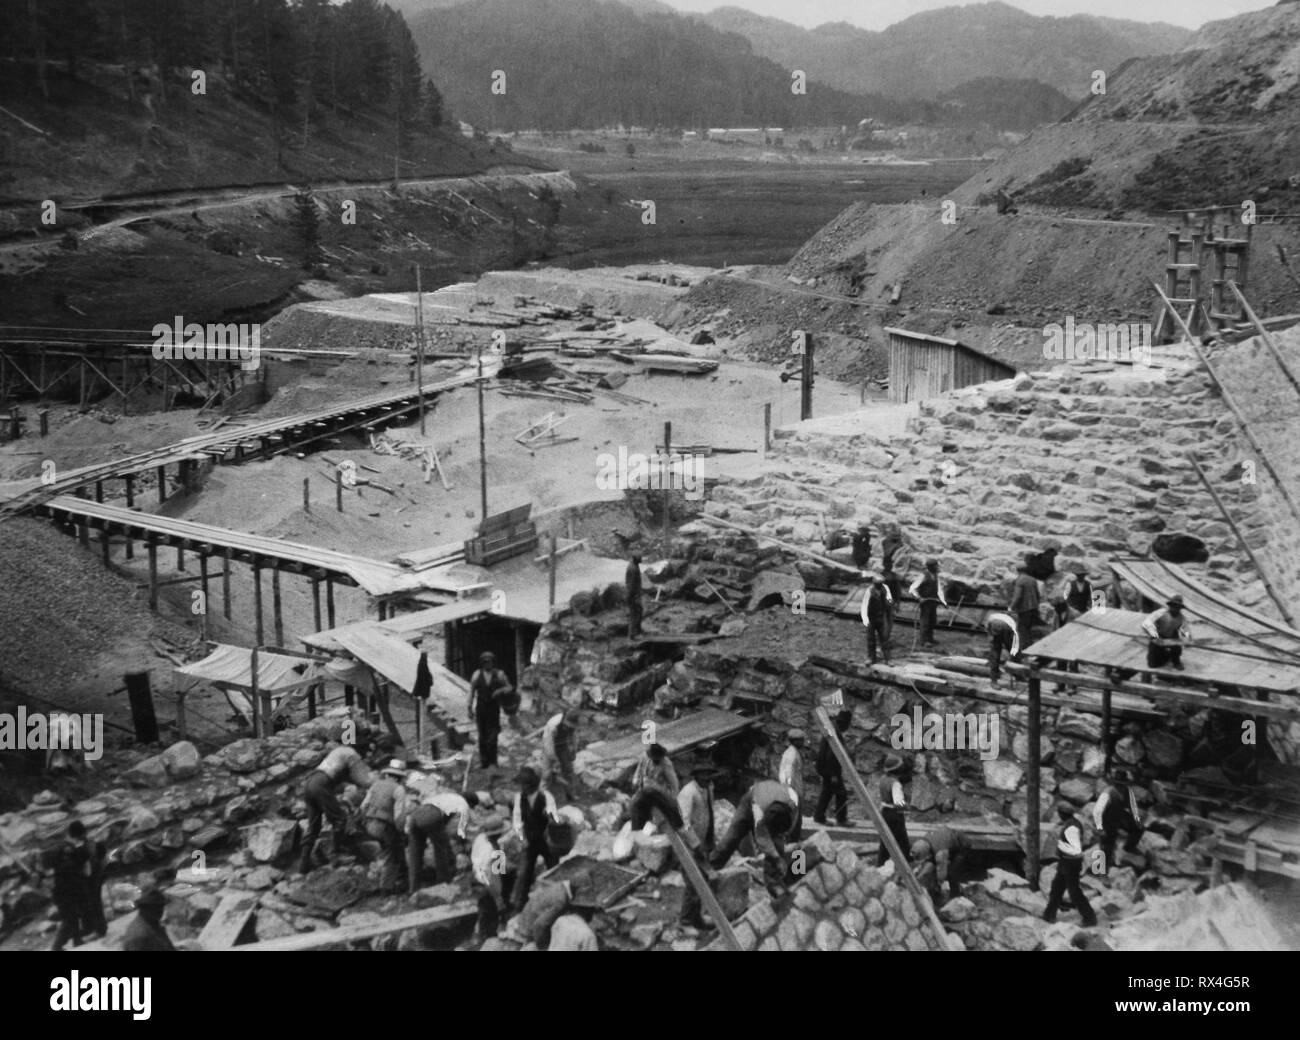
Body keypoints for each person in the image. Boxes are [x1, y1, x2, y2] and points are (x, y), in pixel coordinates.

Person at [299, 742, 373, 873]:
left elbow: (342, 775)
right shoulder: (352, 754)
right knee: (340, 820)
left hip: (310, 783)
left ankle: (303, 864)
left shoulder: (339, 751)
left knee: (313, 826)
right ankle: (334, 855)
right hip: (322, 785)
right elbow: (362, 780)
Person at [710, 778, 796, 886]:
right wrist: (777, 857)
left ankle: (774, 883)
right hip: (749, 804)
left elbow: (787, 829)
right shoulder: (759, 808)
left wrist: (778, 849)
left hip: (773, 809)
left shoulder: (792, 803)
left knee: (777, 846)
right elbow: (762, 837)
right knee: (731, 839)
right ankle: (711, 868)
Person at [512, 767, 562, 912]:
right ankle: (519, 906)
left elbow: (554, 820)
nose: (521, 788)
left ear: (530, 785)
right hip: (530, 841)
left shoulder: (546, 797)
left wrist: (551, 818)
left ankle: (558, 902)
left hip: (547, 842)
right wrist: (522, 838)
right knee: (524, 874)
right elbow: (517, 820)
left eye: (523, 785)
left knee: (554, 871)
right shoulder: (519, 798)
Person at [677, 764, 719, 930]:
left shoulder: (709, 788)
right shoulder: (688, 792)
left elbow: (708, 813)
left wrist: (709, 840)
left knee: (702, 880)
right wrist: (695, 844)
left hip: (703, 842)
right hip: (688, 844)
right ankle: (685, 921)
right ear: (696, 776)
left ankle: (696, 918)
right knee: (693, 881)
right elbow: (683, 823)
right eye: (703, 775)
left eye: (709, 775)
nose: (707, 778)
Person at [407, 787, 473, 892]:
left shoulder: (447, 796)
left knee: (415, 853)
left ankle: (413, 887)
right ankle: (443, 882)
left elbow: (443, 821)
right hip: (431, 815)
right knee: (441, 850)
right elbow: (457, 827)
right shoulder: (462, 803)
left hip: (415, 816)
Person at [1043, 802, 1097, 927]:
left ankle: (1090, 917)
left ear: (1062, 814)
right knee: (1057, 888)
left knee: (1074, 893)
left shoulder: (1072, 827)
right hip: (1065, 863)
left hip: (1070, 864)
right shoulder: (1071, 823)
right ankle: (1048, 915)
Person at [360, 758, 409, 893]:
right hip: (385, 827)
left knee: (392, 849)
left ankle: (403, 876)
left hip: (369, 824)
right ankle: (386, 889)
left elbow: (363, 806)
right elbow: (399, 816)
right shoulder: (399, 789)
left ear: (387, 774)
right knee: (392, 856)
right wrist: (401, 831)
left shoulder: (375, 785)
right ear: (399, 778)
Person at [48, 822, 91, 951]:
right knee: (70, 919)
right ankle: (56, 947)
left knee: (72, 917)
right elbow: (87, 872)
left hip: (60, 890)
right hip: (72, 889)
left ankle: (77, 941)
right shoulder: (77, 850)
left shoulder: (59, 848)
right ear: (82, 834)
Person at [471, 816, 516, 938]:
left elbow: (500, 869)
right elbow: (493, 880)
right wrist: (499, 899)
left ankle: (482, 929)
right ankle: (487, 938)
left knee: (485, 909)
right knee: (490, 912)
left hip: (476, 877)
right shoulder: (494, 853)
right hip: (487, 885)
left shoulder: (481, 838)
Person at [468, 652, 513, 770]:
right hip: (481, 708)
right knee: (482, 736)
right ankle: (484, 762)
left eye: (490, 662)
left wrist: (501, 690)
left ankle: (493, 762)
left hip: (493, 708)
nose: (488, 664)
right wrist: (469, 708)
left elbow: (509, 687)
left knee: (493, 736)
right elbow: (471, 692)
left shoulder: (499, 674)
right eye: (485, 662)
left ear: (493, 662)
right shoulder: (476, 675)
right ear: (482, 663)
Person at [1093, 771, 1143, 869]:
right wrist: (1100, 828)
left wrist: (1137, 820)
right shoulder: (1108, 792)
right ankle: (1100, 870)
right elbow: (1097, 811)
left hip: (1119, 816)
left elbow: (1133, 807)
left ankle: (1128, 847)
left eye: (1123, 784)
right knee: (1107, 846)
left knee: (1138, 828)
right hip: (1107, 819)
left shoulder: (1127, 791)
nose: (1121, 786)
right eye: (1118, 784)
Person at [910, 825, 971, 903]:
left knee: (951, 873)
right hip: (948, 842)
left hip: (962, 845)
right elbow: (929, 862)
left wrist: (940, 884)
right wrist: (919, 877)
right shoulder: (925, 841)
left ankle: (956, 895)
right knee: (933, 870)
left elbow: (941, 871)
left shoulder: (940, 853)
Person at [813, 708, 852, 827]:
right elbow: (831, 755)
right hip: (830, 769)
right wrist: (834, 775)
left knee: (827, 792)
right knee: (841, 793)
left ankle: (819, 816)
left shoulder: (833, 729)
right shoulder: (835, 733)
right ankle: (841, 819)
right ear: (844, 723)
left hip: (826, 768)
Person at [1142, 595, 1190, 671]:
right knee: (1152, 665)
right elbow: (1147, 623)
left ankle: (1176, 661)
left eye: (1177, 607)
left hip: (1172, 636)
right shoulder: (1161, 613)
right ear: (1170, 606)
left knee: (1177, 648)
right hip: (1158, 635)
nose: (1175, 608)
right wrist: (1154, 635)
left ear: (1180, 608)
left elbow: (1185, 630)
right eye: (1173, 606)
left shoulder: (1182, 618)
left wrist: (1187, 639)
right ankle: (1166, 655)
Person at [877, 754, 910, 866]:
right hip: (894, 814)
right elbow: (898, 803)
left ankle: (881, 863)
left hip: (885, 811)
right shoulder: (895, 784)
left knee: (886, 839)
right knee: (902, 840)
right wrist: (906, 809)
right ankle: (906, 861)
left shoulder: (883, 779)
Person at [123, 883, 176, 951]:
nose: (160, 911)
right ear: (144, 907)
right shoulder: (139, 936)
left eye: (161, 906)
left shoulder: (153, 923)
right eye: (155, 907)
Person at [541, 707, 577, 803]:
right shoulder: (553, 725)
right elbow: (548, 745)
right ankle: (542, 797)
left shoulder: (573, 724)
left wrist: (573, 751)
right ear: (564, 719)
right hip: (550, 745)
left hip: (563, 745)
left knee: (568, 770)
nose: (568, 728)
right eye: (567, 725)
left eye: (570, 726)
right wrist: (554, 759)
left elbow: (573, 737)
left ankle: (570, 795)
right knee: (546, 774)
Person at [778, 729, 806, 842]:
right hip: (793, 790)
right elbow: (788, 775)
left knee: (794, 817)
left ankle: (793, 838)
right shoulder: (792, 755)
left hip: (793, 789)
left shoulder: (790, 752)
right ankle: (792, 840)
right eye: (801, 740)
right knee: (794, 818)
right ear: (795, 741)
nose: (803, 743)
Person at [909, 559, 945, 647]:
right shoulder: (923, 576)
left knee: (932, 621)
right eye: (936, 566)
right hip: (925, 603)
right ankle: (924, 641)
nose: (937, 567)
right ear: (931, 567)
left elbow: (939, 589)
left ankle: (930, 638)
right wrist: (919, 598)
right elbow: (912, 589)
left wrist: (944, 602)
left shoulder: (936, 575)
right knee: (925, 621)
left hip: (933, 602)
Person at [1008, 563, 1041, 656]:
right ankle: (1030, 650)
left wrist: (1011, 608)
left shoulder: (1020, 580)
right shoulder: (1033, 580)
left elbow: (1017, 596)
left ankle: (1024, 652)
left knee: (1022, 630)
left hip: (1024, 610)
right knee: (1028, 630)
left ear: (1018, 570)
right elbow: (1038, 595)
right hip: (1034, 608)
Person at [861, 573, 893, 665]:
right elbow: (864, 605)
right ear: (874, 583)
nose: (880, 585)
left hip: (881, 618)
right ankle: (871, 658)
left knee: (884, 638)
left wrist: (890, 603)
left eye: (881, 583)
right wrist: (865, 619)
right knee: (871, 639)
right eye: (878, 584)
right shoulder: (869, 591)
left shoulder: (884, 589)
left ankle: (888, 659)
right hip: (871, 618)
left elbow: (888, 600)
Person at [985, 610, 1020, 687]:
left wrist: (992, 640)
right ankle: (1018, 675)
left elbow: (987, 629)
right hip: (1005, 627)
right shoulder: (1012, 622)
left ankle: (993, 681)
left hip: (994, 625)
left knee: (995, 654)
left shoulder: (993, 615)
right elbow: (1014, 636)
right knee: (1014, 652)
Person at [626, 553, 644, 638]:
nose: (641, 558)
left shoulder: (635, 565)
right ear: (635, 558)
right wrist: (633, 596)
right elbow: (632, 584)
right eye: (639, 557)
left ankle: (637, 631)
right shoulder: (633, 568)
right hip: (633, 595)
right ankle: (632, 634)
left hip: (634, 594)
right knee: (634, 613)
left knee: (639, 611)